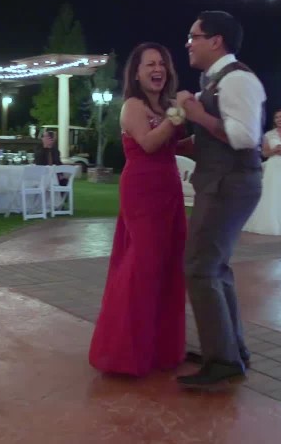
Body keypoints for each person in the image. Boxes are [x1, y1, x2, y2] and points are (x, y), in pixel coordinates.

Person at [175, 10, 266, 389]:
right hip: (223, 181)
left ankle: (223, 360)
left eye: (194, 36)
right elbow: (217, 137)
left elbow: (245, 137)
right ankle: (230, 350)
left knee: (198, 267)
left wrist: (197, 113)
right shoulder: (214, 81)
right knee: (216, 267)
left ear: (216, 40)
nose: (188, 43)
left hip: (229, 183)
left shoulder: (238, 79)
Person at [88, 43, 189, 377]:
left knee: (168, 266)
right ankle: (124, 352)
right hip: (142, 192)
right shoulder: (132, 105)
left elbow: (176, 142)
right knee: (142, 266)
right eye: (149, 64)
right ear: (136, 72)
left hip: (170, 189)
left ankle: (159, 348)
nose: (157, 69)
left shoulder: (168, 105)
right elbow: (148, 142)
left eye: (162, 63)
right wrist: (178, 114)